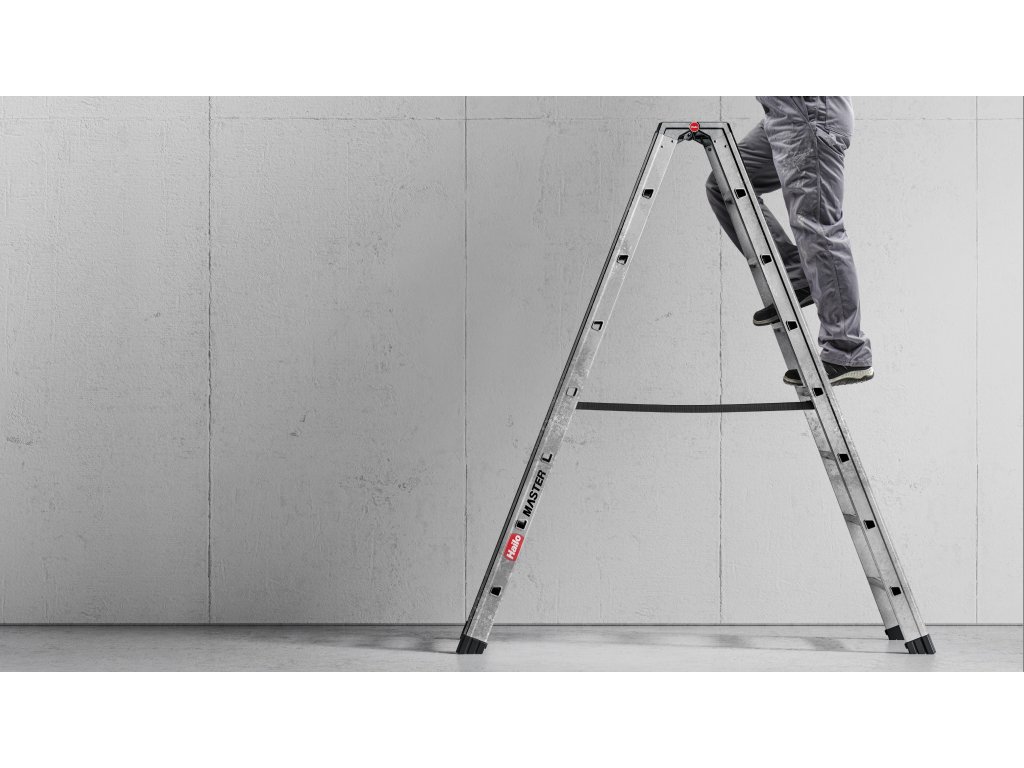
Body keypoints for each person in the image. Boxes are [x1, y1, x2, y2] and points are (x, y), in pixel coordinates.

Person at [705, 96, 873, 386]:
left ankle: (847, 350)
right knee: (725, 183)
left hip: (808, 113)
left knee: (817, 228)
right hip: (782, 114)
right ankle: (797, 276)